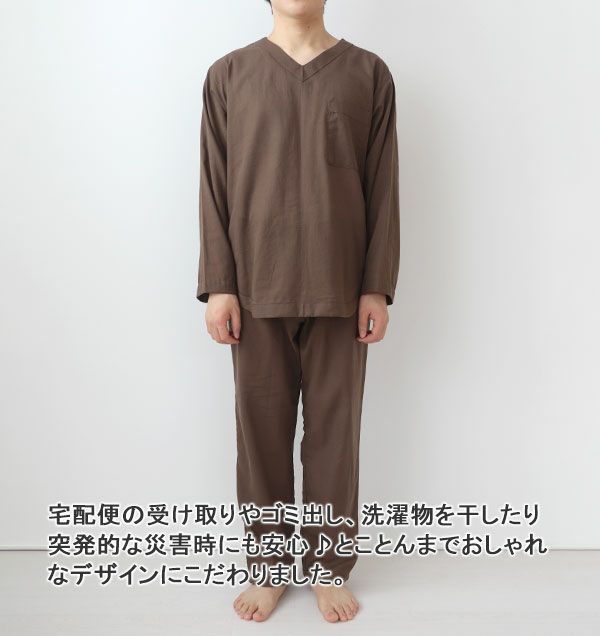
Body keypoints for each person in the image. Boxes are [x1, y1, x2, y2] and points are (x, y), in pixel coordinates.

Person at [196, 0, 399, 623]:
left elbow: (383, 183)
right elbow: (213, 182)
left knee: (336, 437)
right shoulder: (229, 74)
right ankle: (268, 565)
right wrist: (220, 284)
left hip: (342, 286)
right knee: (260, 434)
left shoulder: (368, 73)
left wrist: (376, 285)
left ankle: (329, 566)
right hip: (255, 286)